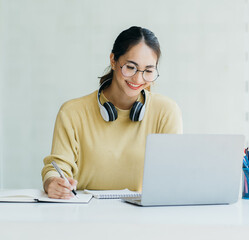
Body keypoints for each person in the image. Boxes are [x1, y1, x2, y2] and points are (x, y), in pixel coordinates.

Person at [41, 26, 183, 199]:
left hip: (142, 214)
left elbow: (172, 174)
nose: (138, 79)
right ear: (113, 61)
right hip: (85, 212)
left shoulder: (166, 112)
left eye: (148, 71)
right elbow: (57, 167)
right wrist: (53, 183)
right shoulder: (72, 112)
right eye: (130, 67)